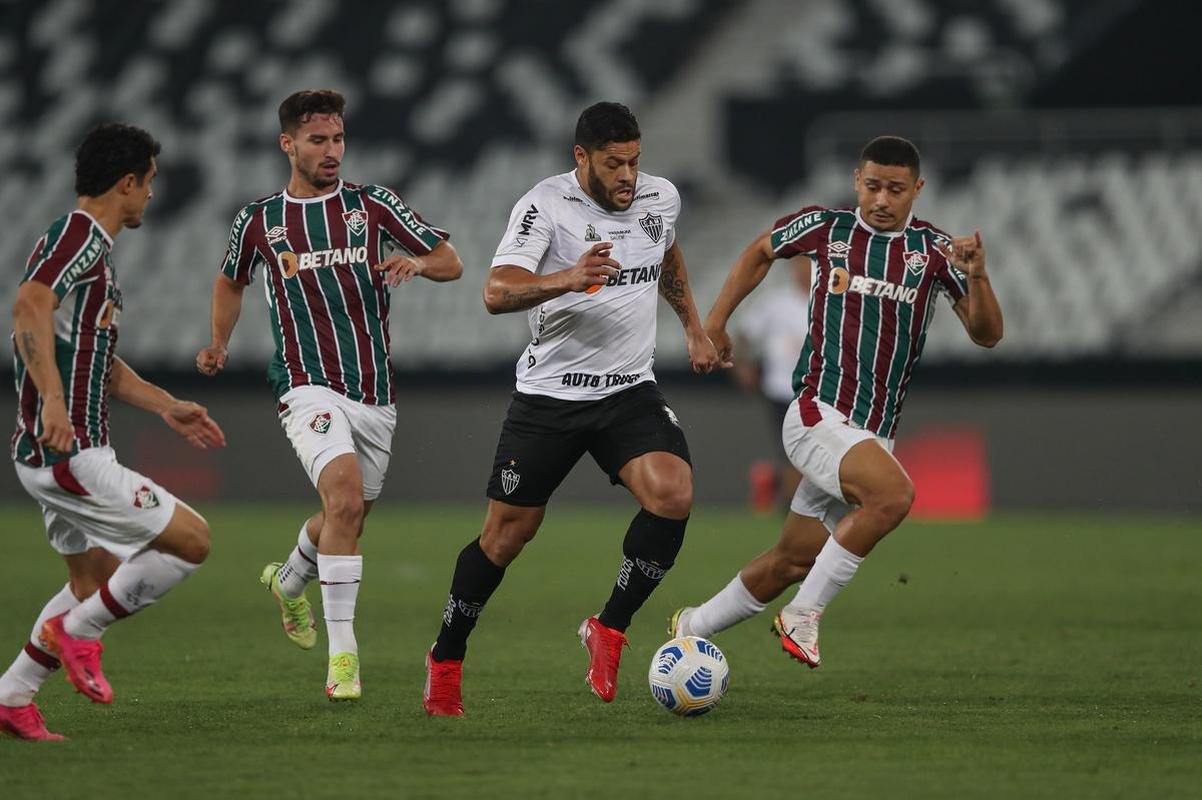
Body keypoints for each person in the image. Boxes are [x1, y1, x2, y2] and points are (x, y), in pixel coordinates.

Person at [422, 102, 721, 716]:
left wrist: (693, 326)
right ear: (581, 157)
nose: (627, 176)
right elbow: (495, 292)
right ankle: (446, 658)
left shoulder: (660, 197)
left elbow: (666, 254)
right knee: (506, 537)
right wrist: (568, 277)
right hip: (550, 397)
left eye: (634, 162)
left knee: (673, 493)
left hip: (627, 390)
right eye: (613, 164)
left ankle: (609, 627)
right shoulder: (545, 205)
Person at [671, 136, 1003, 668]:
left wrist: (978, 276)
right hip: (816, 414)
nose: (881, 199)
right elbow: (761, 249)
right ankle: (803, 615)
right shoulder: (828, 229)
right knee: (893, 496)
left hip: (871, 434)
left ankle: (690, 627)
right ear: (856, 182)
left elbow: (987, 334)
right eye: (872, 186)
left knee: (793, 560)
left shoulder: (937, 252)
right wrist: (716, 322)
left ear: (917, 189)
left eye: (895, 189)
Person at [195, 89, 462, 701]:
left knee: (348, 516)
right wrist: (218, 343)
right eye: (318, 140)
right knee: (342, 500)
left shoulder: (373, 205)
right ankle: (344, 658)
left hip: (375, 392)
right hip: (305, 383)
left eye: (338, 138)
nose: (332, 150)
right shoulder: (259, 220)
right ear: (287, 144)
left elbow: (450, 260)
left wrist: (418, 265)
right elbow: (230, 281)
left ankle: (289, 581)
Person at [0, 123, 225, 740]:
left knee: (92, 580)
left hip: (55, 451)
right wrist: (52, 401)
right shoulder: (78, 235)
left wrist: (165, 405)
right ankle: (77, 633)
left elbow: (94, 358)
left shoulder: (90, 249)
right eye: (148, 182)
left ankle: (12, 697)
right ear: (126, 183)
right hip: (70, 452)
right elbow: (28, 306)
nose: (150, 194)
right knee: (191, 542)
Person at [729, 255, 811, 511]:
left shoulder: (827, 301)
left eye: (809, 264)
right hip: (782, 389)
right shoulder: (776, 302)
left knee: (809, 455)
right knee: (794, 454)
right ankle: (791, 509)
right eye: (800, 264)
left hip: (819, 391)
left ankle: (776, 486)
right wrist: (742, 366)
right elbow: (744, 334)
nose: (805, 270)